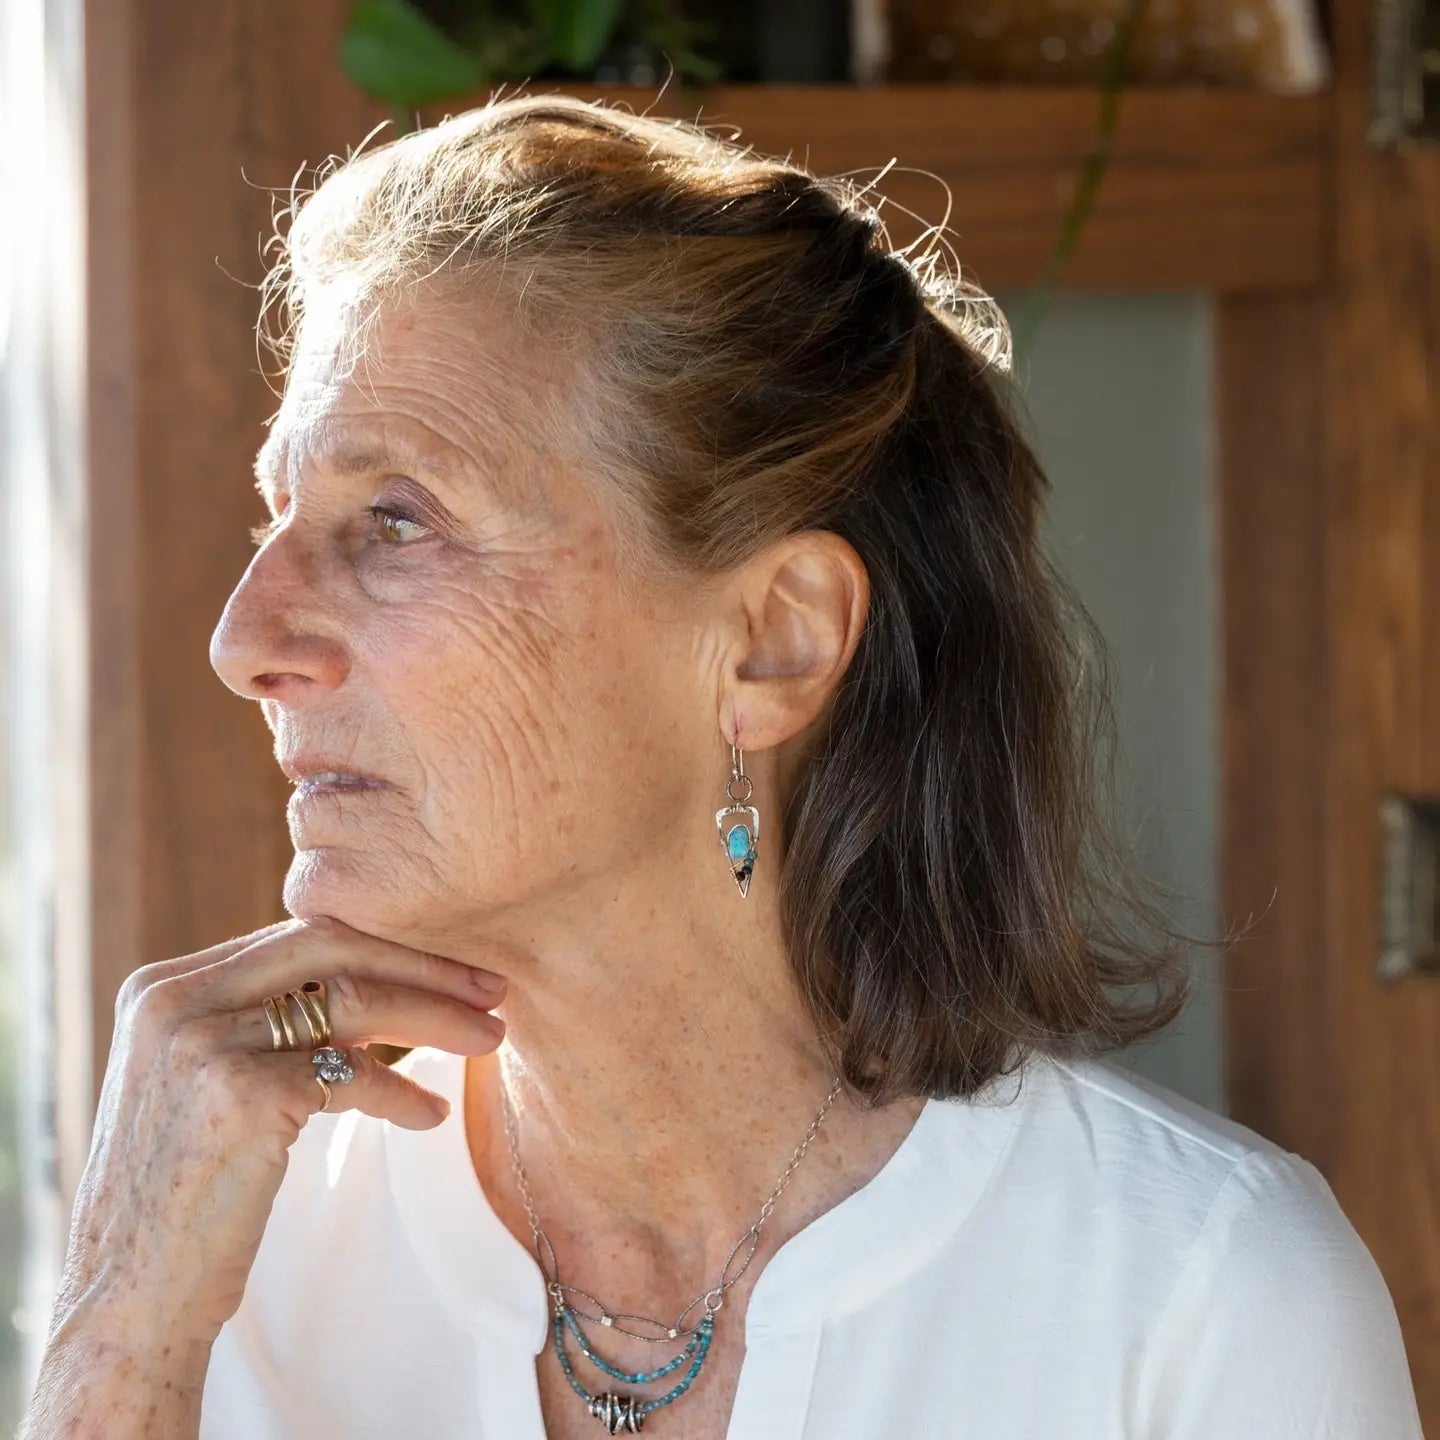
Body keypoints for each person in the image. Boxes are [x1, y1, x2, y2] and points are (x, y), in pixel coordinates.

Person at [20, 94, 1423, 1440]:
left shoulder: (1198, 1303)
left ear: (772, 643)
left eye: (396, 519)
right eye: (278, 515)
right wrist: (120, 1334)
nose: (244, 639)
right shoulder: (230, 1241)